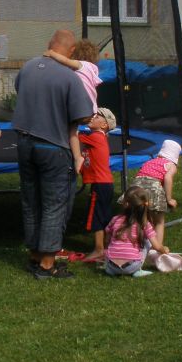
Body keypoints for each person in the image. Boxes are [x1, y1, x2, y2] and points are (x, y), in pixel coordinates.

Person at [14, 29, 94, 279]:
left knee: (31, 201)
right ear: (72, 51)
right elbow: (84, 115)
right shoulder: (69, 77)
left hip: (24, 143)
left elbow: (20, 92)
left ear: (50, 44)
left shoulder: (27, 67)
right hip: (54, 146)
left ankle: (35, 255)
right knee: (54, 204)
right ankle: (48, 264)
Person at [45, 37, 103, 172]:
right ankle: (78, 157)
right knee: (73, 131)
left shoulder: (82, 64)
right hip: (91, 109)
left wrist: (52, 53)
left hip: (80, 107)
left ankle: (73, 155)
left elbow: (65, 61)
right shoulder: (93, 69)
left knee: (71, 130)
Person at [78, 106, 117, 263]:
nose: (92, 117)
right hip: (104, 183)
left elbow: (74, 136)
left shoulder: (96, 137)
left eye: (97, 116)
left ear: (104, 124)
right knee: (104, 215)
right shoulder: (97, 137)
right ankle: (107, 247)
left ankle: (99, 249)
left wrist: (76, 121)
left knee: (96, 216)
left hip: (100, 184)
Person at [103, 186, 169, 277]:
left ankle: (111, 270)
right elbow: (156, 246)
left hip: (111, 265)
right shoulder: (144, 224)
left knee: (113, 241)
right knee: (147, 241)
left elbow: (107, 239)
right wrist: (164, 250)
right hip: (131, 266)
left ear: (125, 203)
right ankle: (137, 270)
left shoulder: (115, 219)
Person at [130, 139, 181, 249]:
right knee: (159, 221)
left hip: (136, 187)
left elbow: (141, 174)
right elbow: (167, 178)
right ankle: (157, 248)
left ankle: (132, 245)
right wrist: (169, 199)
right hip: (153, 187)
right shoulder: (171, 165)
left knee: (137, 217)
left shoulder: (150, 161)